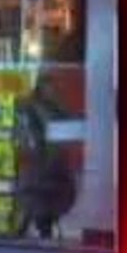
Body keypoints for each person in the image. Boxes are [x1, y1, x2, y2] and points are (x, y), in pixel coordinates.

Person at [15, 77, 77, 240]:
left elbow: (68, 124)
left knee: (45, 195)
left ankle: (35, 226)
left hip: (53, 160)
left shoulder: (55, 107)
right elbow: (29, 132)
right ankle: (37, 227)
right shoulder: (29, 107)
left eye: (52, 88)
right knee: (37, 194)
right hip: (39, 159)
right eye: (48, 87)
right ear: (40, 88)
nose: (51, 91)